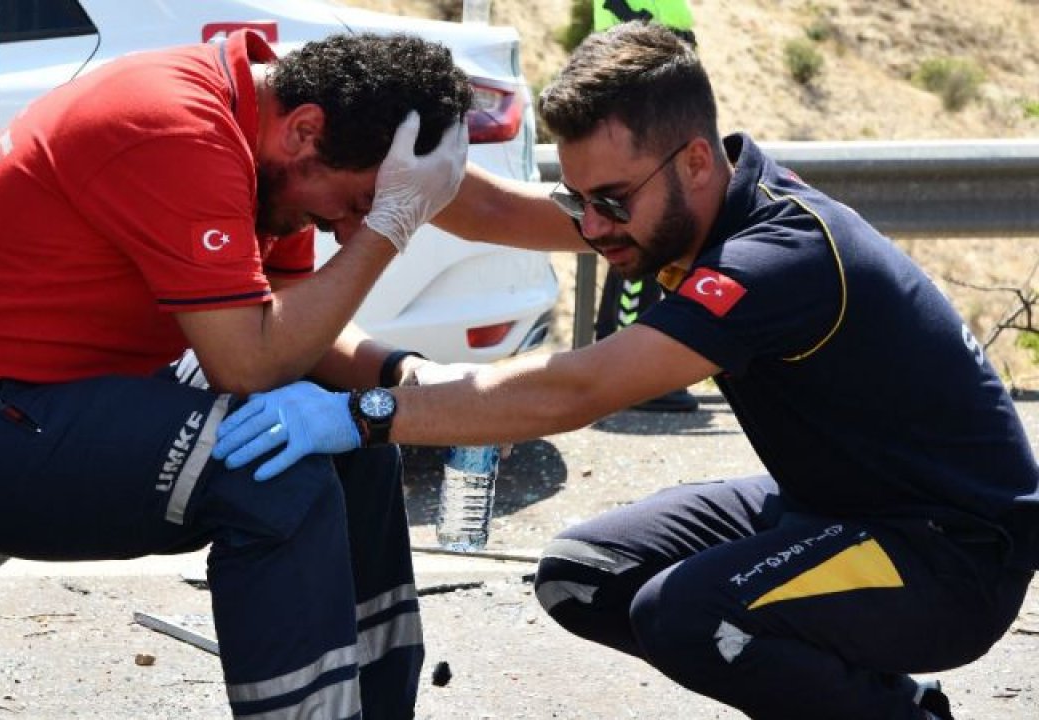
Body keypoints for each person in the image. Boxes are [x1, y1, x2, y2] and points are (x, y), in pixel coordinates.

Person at [209, 22, 1039, 720]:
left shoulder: (775, 258)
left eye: (611, 200)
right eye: (581, 202)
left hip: (948, 555)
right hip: (832, 509)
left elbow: (580, 387)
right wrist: (409, 176)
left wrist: (365, 413)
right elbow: (502, 213)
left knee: (688, 615)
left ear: (695, 164)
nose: (595, 228)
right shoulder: (694, 212)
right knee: (584, 577)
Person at [0, 30, 470, 720]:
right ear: (305, 129)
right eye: (354, 205)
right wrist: (391, 227)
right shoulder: (172, 125)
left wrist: (405, 375)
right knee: (274, 475)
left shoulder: (271, 157)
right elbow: (249, 362)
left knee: (351, 439)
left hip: (44, 403)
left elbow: (296, 337)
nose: (345, 231)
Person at [592, 0, 699, 412]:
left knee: (642, 244)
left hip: (646, 106)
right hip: (642, 109)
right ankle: (634, 379)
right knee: (641, 243)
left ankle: (625, 370)